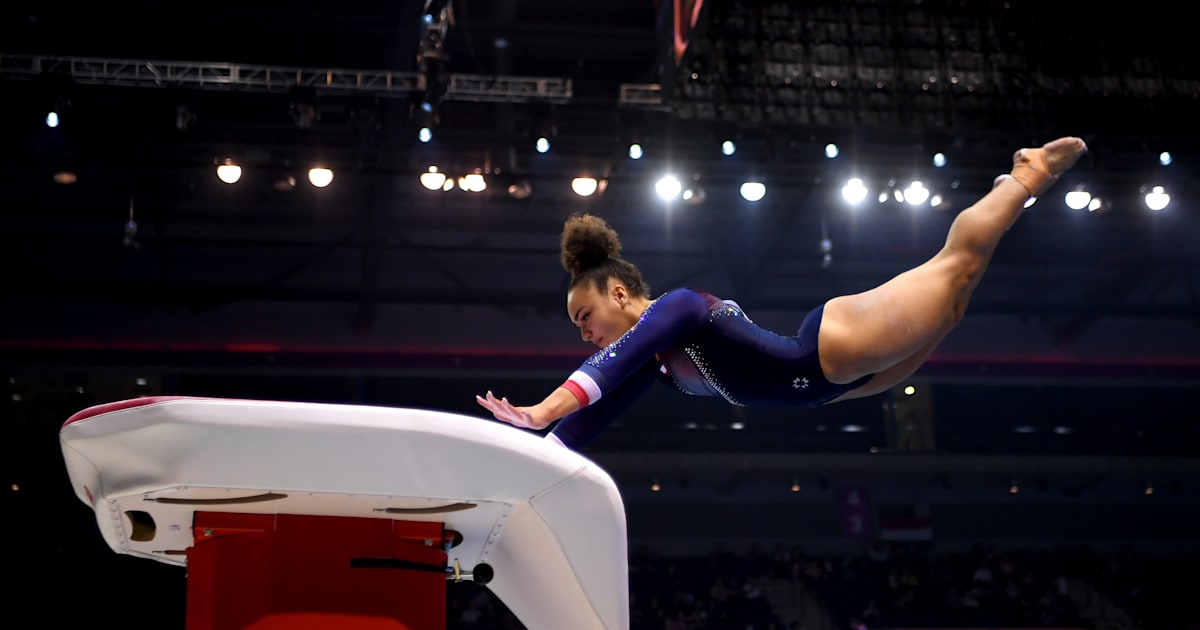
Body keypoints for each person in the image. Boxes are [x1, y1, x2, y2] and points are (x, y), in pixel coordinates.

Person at [476, 137, 1088, 450]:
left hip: (832, 349)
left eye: (585, 315)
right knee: (955, 307)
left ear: (618, 292)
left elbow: (600, 370)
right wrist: (532, 453)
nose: (584, 332)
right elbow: (595, 415)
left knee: (956, 268)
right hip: (840, 386)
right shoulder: (656, 365)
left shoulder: (677, 309)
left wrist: (536, 411)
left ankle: (1027, 173)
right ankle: (1023, 184)